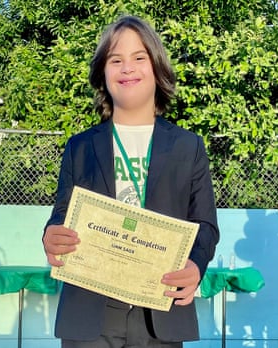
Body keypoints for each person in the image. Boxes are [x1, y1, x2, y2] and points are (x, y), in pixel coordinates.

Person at [42, 15, 219, 348]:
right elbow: (62, 214)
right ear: (102, 74)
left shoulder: (188, 146)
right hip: (90, 310)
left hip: (160, 309)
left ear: (157, 69)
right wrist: (51, 235)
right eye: (115, 60)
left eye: (139, 58)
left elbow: (206, 224)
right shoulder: (80, 146)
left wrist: (196, 264)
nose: (127, 68)